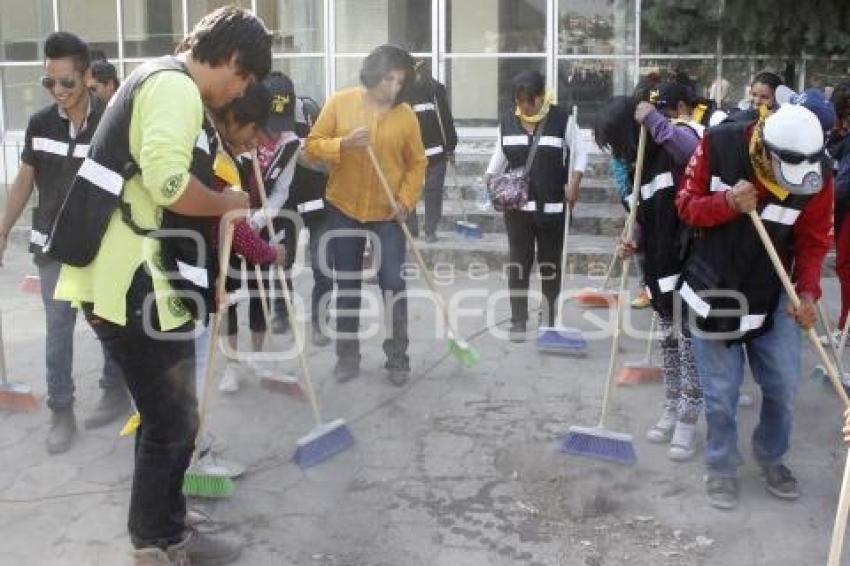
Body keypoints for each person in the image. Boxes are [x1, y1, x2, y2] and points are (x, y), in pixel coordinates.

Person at [53, 6, 271, 563]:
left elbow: (170, 203)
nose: (237, 91)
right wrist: (229, 202)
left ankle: (162, 520)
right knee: (173, 418)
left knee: (168, 416)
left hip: (142, 279)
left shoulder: (164, 83)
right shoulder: (174, 89)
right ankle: (157, 541)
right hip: (129, 280)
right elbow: (172, 187)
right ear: (230, 59)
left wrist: (211, 275)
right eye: (243, 78)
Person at [676, 103, 832, 510]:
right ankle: (722, 466)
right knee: (721, 392)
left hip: (773, 288)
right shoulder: (721, 143)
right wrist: (725, 202)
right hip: (715, 287)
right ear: (764, 150)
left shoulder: (819, 173)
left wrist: (809, 292)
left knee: (782, 383)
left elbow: (814, 240)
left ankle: (772, 456)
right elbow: (685, 205)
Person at [0, 32, 130, 454]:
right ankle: (61, 410)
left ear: (88, 75)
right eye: (49, 83)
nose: (57, 92)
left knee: (108, 322)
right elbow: (24, 179)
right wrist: (2, 229)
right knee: (58, 330)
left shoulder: (111, 122)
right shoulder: (40, 124)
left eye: (67, 83)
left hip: (100, 247)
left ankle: (114, 390)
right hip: (52, 245)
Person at [305, 44, 427, 386]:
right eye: (388, 79)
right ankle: (347, 356)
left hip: (388, 213)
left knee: (392, 281)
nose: (394, 88)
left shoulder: (406, 116)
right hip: (343, 208)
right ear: (374, 74)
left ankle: (398, 358)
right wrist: (342, 144)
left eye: (400, 81)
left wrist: (405, 201)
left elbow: (418, 163)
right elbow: (311, 145)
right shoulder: (341, 102)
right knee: (346, 283)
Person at [599, 82, 704, 461]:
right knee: (669, 341)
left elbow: (694, 152)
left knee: (689, 344)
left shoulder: (675, 141)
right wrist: (633, 240)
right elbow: (643, 216)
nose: (615, 152)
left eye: (614, 141)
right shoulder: (636, 166)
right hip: (658, 266)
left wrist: (656, 122)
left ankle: (689, 419)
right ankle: (672, 405)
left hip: (689, 262)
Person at [484, 70, 587, 342]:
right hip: (517, 209)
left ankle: (550, 318)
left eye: (528, 102)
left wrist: (574, 183)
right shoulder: (508, 120)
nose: (523, 108)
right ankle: (518, 319)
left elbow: (580, 153)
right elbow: (499, 155)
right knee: (519, 263)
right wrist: (490, 180)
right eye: (519, 102)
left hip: (552, 207)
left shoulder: (561, 119)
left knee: (550, 264)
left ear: (541, 97)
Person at [254, 72, 334, 347]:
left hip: (317, 203)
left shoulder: (313, 113)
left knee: (323, 263)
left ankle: (320, 320)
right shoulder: (256, 123)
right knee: (281, 259)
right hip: (283, 204)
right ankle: (281, 311)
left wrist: (304, 154)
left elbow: (329, 163)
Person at [405, 59, 457, 243]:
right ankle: (411, 228)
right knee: (410, 190)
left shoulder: (435, 90)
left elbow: (445, 119)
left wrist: (450, 147)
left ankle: (430, 229)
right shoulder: (402, 91)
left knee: (433, 191)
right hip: (409, 154)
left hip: (436, 152)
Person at [828, 82, 850, 344]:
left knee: (845, 265)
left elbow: (843, 185)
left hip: (845, 207)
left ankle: (845, 324)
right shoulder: (836, 139)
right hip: (843, 209)